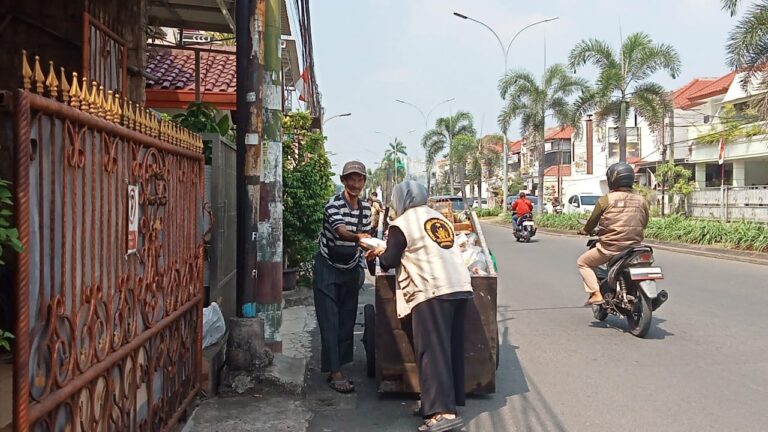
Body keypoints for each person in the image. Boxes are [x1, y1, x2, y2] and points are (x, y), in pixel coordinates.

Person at [365, 181, 473, 432]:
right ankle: (443, 403)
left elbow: (389, 260)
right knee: (449, 348)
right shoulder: (438, 218)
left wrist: (375, 252)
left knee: (431, 352)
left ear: (400, 200)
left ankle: (443, 414)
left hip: (431, 290)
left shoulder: (402, 224)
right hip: (459, 287)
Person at [314, 160, 372, 393]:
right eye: (351, 179)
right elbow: (341, 232)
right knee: (329, 320)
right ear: (343, 181)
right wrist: (361, 239)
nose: (355, 183)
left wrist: (374, 251)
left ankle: (339, 366)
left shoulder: (367, 209)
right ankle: (335, 372)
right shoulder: (332, 206)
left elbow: (366, 240)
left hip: (350, 268)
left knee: (347, 320)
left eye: (359, 179)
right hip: (327, 267)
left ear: (364, 182)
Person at [577, 162, 650, 306]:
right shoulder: (642, 200)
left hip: (610, 248)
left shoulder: (606, 200)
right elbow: (644, 223)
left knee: (583, 262)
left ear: (612, 179)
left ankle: (596, 294)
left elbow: (593, 221)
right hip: (634, 247)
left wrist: (585, 230)